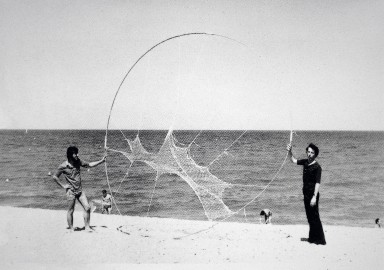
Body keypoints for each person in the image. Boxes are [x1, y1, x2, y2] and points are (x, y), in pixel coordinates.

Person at [52, 146, 106, 232]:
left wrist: (101, 161)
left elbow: (89, 165)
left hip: (80, 191)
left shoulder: (78, 162)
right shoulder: (63, 166)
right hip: (71, 192)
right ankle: (71, 228)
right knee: (71, 210)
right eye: (76, 153)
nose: (78, 154)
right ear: (70, 155)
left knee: (87, 208)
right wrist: (63, 186)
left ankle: (87, 227)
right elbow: (55, 177)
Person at [287, 143, 326, 245]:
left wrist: (314, 196)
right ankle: (312, 238)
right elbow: (293, 160)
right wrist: (289, 151)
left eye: (312, 153)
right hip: (305, 193)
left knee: (315, 217)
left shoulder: (317, 167)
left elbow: (318, 183)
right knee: (309, 217)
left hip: (313, 195)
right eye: (308, 152)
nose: (309, 154)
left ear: (315, 154)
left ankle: (320, 240)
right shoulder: (305, 162)